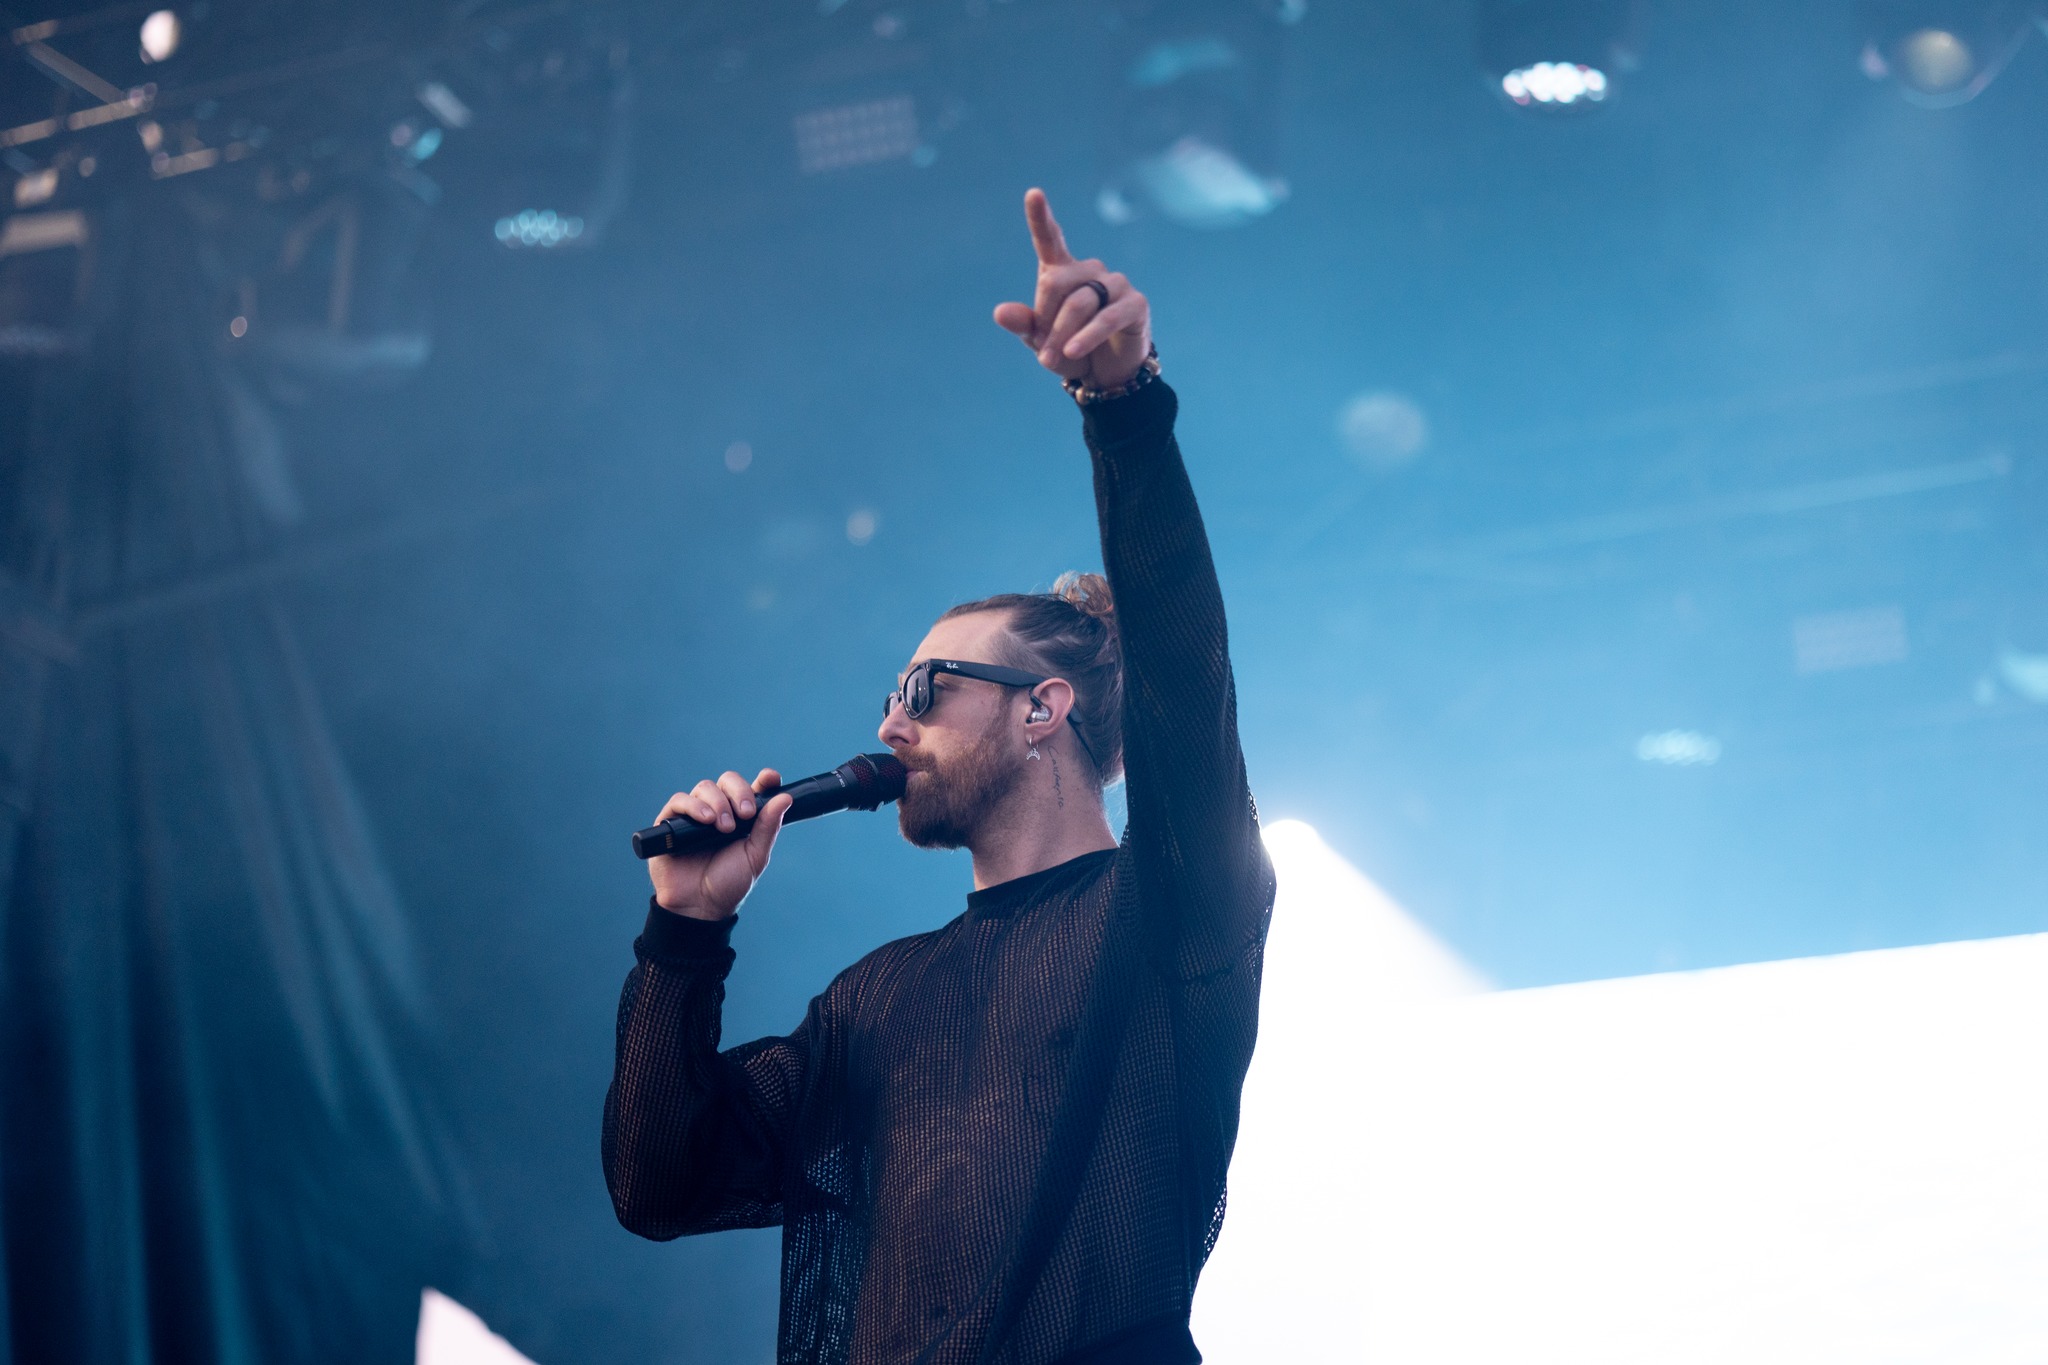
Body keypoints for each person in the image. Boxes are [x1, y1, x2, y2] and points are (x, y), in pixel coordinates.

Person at [603, 188, 1275, 1365]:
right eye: (886, 695)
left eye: (926, 689)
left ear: (1042, 710)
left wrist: (1120, 409)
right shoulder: (872, 1003)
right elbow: (660, 1183)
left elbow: (1183, 672)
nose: (890, 724)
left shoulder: (1171, 906)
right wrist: (684, 935)